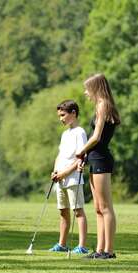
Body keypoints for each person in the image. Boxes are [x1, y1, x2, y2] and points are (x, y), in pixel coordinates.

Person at [76, 73, 120, 259]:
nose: (86, 93)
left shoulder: (103, 105)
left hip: (101, 159)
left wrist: (80, 151)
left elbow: (96, 137)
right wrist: (86, 155)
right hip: (95, 158)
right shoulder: (99, 106)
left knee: (105, 207)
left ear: (96, 88)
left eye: (88, 89)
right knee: (97, 208)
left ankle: (108, 251)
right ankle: (100, 250)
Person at [49, 100, 89, 254]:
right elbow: (60, 155)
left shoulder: (80, 132)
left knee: (78, 210)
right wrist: (55, 171)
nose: (61, 118)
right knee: (63, 211)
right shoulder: (65, 134)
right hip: (60, 178)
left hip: (73, 178)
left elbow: (81, 157)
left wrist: (65, 173)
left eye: (63, 115)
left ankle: (82, 246)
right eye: (59, 115)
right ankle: (62, 244)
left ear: (73, 113)